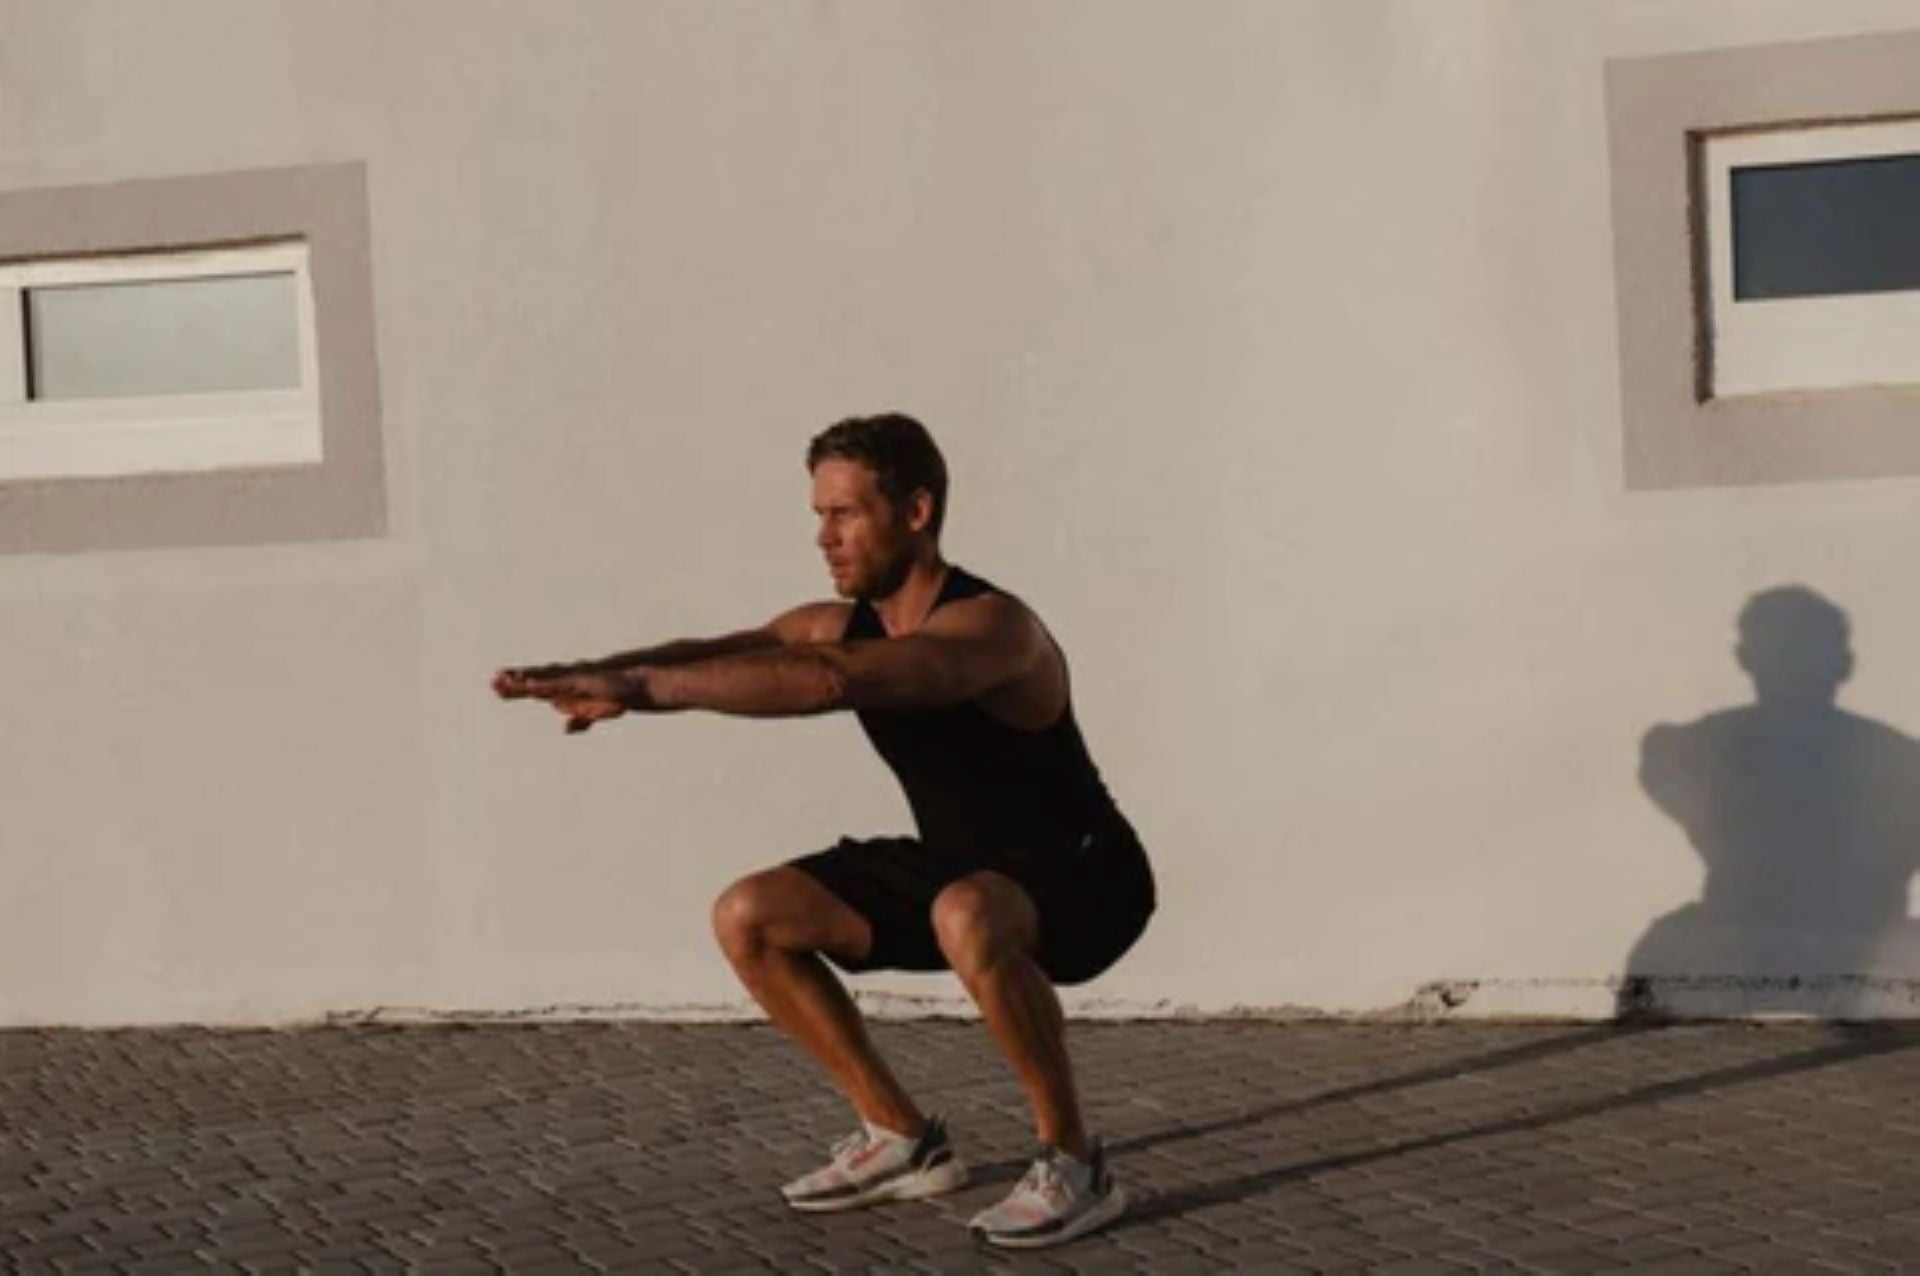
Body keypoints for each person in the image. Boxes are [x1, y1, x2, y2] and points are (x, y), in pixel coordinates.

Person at [493, 413, 1156, 1248]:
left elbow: (829, 682)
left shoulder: (993, 628)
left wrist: (643, 684)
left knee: (966, 911)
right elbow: (732, 648)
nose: (824, 537)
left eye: (844, 514)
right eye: (817, 516)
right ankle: (902, 1137)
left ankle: (1074, 1162)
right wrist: (610, 678)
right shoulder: (837, 620)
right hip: (959, 869)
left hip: (1087, 877)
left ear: (916, 512)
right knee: (751, 913)